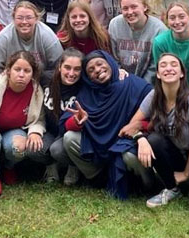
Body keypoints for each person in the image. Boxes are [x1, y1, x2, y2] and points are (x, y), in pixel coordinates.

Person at [60, 51, 152, 198]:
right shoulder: (88, 92)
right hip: (99, 147)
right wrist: (77, 121)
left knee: (129, 155)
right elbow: (65, 124)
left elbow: (158, 116)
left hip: (128, 142)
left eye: (100, 64)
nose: (97, 70)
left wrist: (139, 127)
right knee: (69, 138)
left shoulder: (134, 85)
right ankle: (98, 178)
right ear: (88, 77)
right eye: (91, 70)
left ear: (110, 63)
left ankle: (147, 185)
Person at [120, 54, 189, 208]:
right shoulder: (154, 96)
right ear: (158, 74)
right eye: (163, 65)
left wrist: (186, 173)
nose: (169, 68)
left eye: (174, 64)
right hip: (173, 154)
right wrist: (141, 138)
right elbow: (130, 126)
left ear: (181, 73)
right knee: (153, 139)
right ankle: (171, 188)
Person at [0, 52, 49, 196]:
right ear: (8, 70)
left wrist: (35, 132)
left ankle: (8, 167)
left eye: (27, 71)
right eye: (17, 69)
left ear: (32, 73)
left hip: (15, 129)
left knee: (18, 147)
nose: (21, 74)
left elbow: (39, 118)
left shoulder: (37, 91)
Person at [0, 1, 63, 84]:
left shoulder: (47, 36)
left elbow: (59, 64)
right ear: (13, 19)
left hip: (41, 82)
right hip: (11, 83)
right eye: (20, 18)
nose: (24, 22)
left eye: (29, 18)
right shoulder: (2, 39)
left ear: (36, 19)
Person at [43, 49, 85, 186]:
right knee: (34, 148)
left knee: (57, 149)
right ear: (59, 66)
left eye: (77, 69)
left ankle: (74, 166)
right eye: (67, 67)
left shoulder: (84, 87)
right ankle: (50, 166)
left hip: (69, 133)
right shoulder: (45, 78)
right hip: (49, 130)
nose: (71, 73)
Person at [108, 0, 167, 82]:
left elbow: (155, 65)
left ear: (145, 6)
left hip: (148, 84)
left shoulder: (159, 29)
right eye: (125, 8)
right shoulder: (115, 24)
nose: (130, 12)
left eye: (134, 7)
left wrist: (139, 87)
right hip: (121, 80)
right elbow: (113, 57)